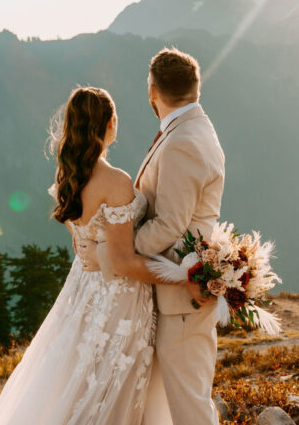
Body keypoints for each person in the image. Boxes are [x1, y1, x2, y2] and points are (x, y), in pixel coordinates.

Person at [0, 85, 196, 425]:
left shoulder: (69, 176)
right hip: (119, 299)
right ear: (109, 123)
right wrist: (181, 276)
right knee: (108, 388)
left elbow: (82, 243)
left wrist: (95, 251)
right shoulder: (116, 182)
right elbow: (122, 262)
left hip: (82, 290)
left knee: (78, 380)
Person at [86, 47, 226, 425]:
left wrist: (116, 251)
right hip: (172, 294)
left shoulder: (184, 141)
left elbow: (169, 225)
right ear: (196, 88)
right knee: (175, 402)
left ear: (152, 91)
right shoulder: (190, 128)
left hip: (182, 299)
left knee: (190, 407)